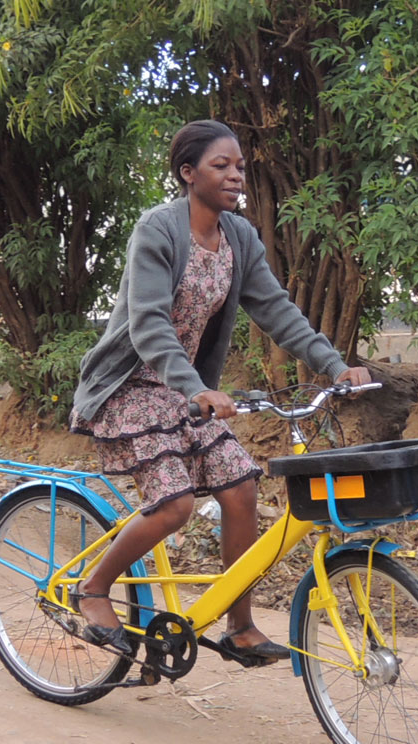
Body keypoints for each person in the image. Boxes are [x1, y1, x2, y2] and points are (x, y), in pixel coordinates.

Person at [70, 120, 372, 662]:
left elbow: (278, 310)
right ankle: (92, 589)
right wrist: (197, 388)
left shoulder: (239, 237)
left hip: (185, 389)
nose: (236, 176)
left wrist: (334, 365)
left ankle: (239, 625)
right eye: (221, 166)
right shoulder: (157, 229)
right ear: (188, 174)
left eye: (239, 166)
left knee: (241, 489)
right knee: (175, 506)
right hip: (132, 384)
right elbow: (149, 325)